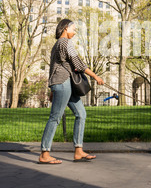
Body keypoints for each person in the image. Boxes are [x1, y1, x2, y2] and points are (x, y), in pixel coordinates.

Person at [39, 19, 104, 165]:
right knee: (55, 118)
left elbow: (53, 67)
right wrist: (95, 76)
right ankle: (44, 153)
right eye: (73, 29)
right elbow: (78, 63)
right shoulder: (65, 43)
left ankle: (78, 151)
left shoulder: (57, 45)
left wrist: (51, 88)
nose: (74, 32)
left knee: (81, 114)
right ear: (65, 28)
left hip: (65, 84)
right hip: (62, 83)